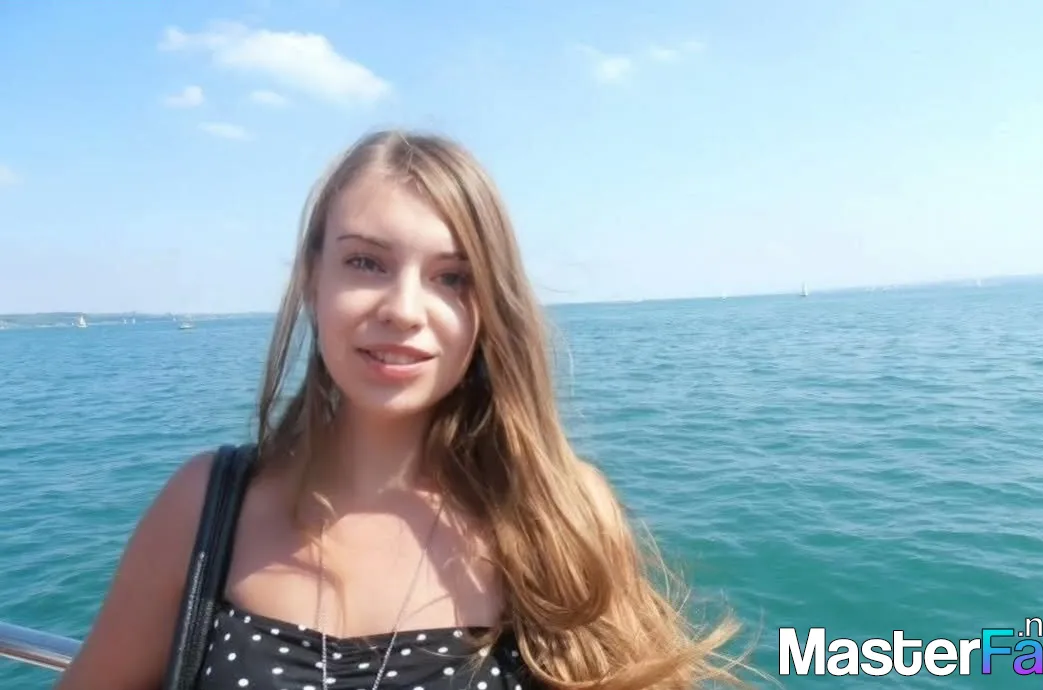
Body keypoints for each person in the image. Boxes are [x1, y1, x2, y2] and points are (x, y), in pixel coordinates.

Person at [55, 130, 748, 690]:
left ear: (488, 307)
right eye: (366, 263)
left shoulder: (557, 512)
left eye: (453, 277)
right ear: (312, 279)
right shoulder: (205, 507)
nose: (405, 310)